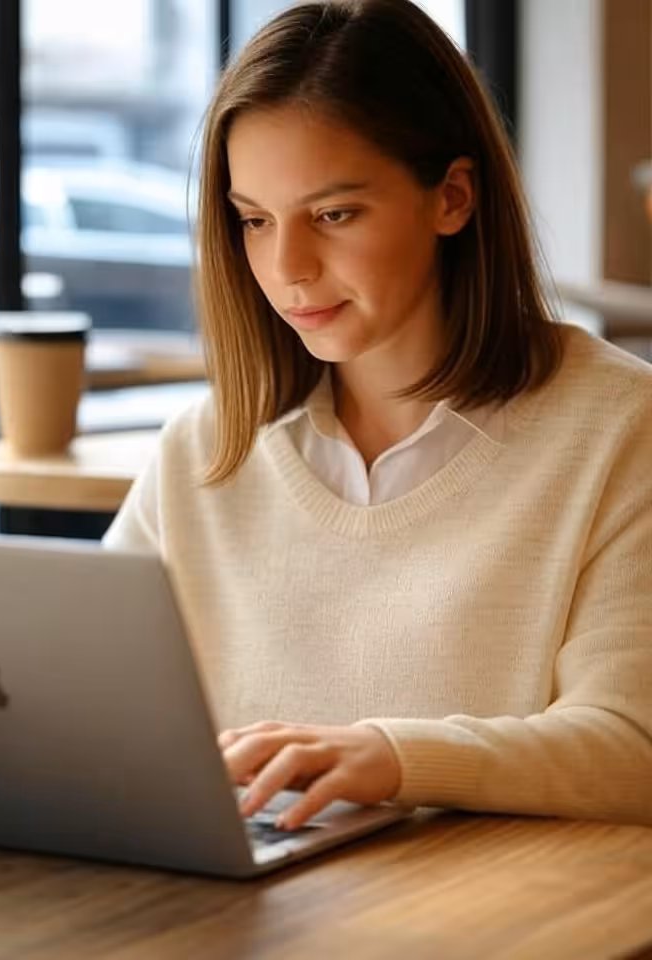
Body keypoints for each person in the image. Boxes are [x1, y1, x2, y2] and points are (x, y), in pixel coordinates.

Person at [104, 0, 652, 830]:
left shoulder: (620, 429)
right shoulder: (205, 449)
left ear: (453, 198)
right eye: (254, 220)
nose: (286, 268)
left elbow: (632, 749)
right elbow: (77, 710)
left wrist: (395, 758)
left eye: (333, 215)